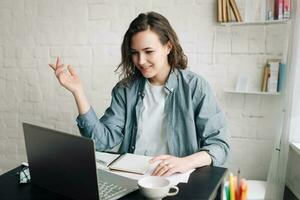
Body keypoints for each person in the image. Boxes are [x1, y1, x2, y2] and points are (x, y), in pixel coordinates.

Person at [49, 11, 230, 177]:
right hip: (130, 177)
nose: (141, 61)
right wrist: (78, 91)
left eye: (148, 51)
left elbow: (219, 146)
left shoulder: (195, 87)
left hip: (176, 179)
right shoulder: (125, 89)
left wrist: (184, 162)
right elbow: (101, 142)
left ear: (168, 47)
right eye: (135, 53)